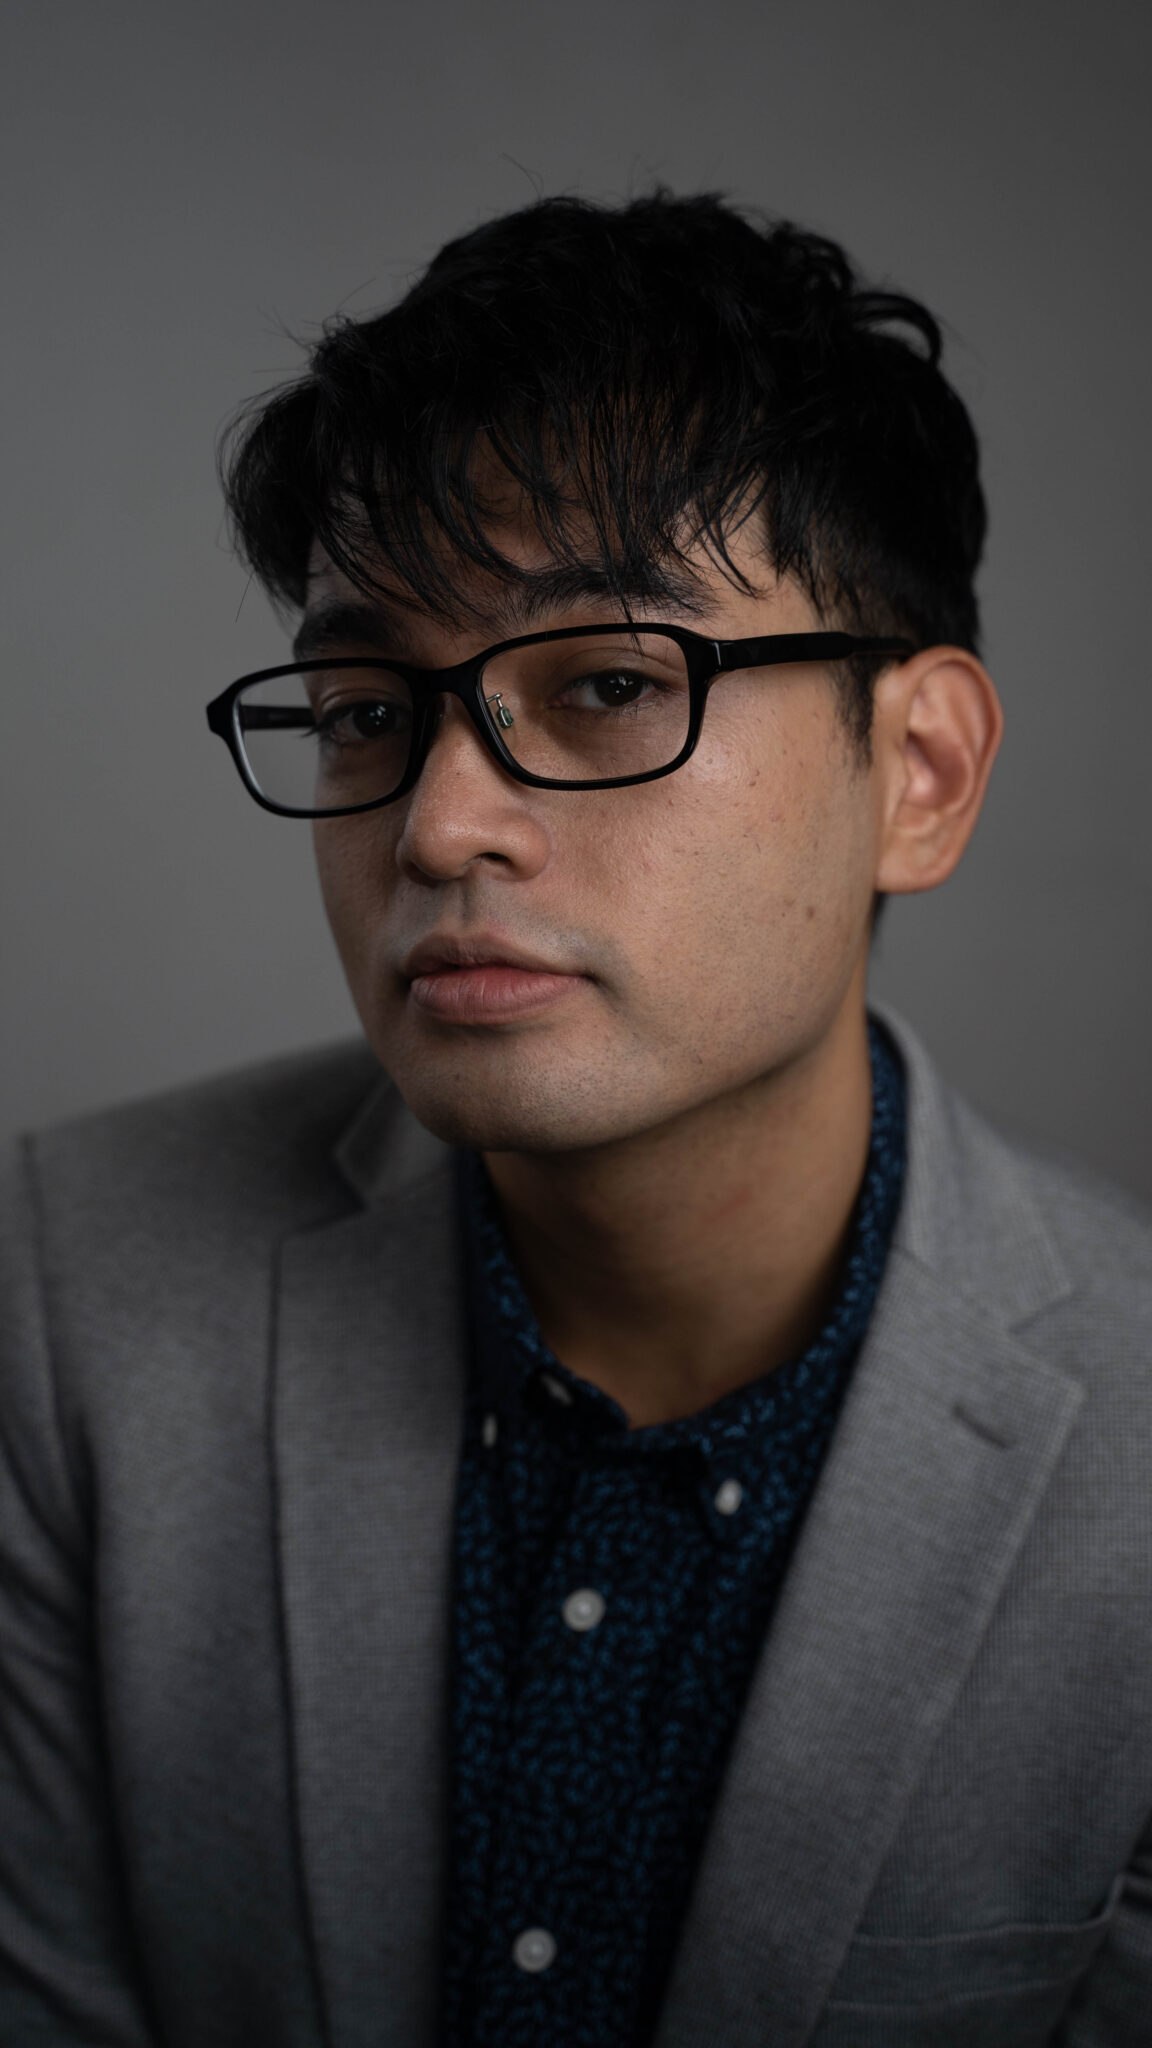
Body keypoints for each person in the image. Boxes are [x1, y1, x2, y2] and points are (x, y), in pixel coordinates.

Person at [1, 192, 1149, 2048]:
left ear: (920, 775)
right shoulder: (72, 1291)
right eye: (365, 710)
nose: (440, 823)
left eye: (608, 685)